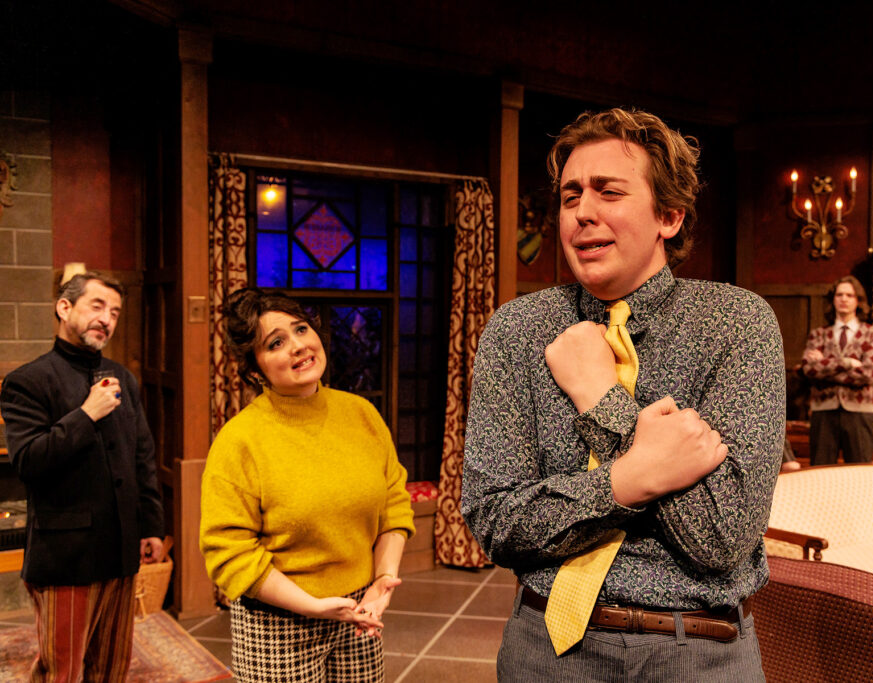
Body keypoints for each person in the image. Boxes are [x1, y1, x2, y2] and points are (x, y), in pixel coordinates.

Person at [462, 108, 785, 681]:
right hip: (547, 650)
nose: (582, 211)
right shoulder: (518, 330)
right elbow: (495, 522)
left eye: (608, 192)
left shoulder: (736, 323)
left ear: (669, 215)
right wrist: (631, 479)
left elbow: (722, 536)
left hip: (700, 650)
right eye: (571, 196)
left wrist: (601, 398)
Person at [199, 288, 415, 683]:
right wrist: (311, 606)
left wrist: (383, 580)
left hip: (360, 613)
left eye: (301, 329)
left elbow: (394, 503)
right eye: (276, 343)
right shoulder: (240, 440)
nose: (298, 345)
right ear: (255, 370)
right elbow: (229, 551)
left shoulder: (361, 414)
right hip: (277, 624)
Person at [0, 271, 164, 681]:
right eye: (97, 306)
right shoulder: (27, 381)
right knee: (62, 673)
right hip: (66, 558)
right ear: (64, 307)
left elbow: (142, 456)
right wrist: (86, 414)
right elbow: (28, 461)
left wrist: (150, 527)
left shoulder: (123, 378)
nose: (107, 318)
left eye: (115, 312)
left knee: (111, 668)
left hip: (121, 551)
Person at [800, 275, 873, 465]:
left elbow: (869, 374)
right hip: (824, 410)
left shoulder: (872, 334)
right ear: (833, 299)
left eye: (849, 295)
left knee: (859, 471)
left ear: (858, 301)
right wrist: (847, 362)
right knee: (820, 471)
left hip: (859, 411)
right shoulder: (819, 334)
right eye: (839, 295)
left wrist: (825, 365)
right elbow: (810, 370)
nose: (844, 299)